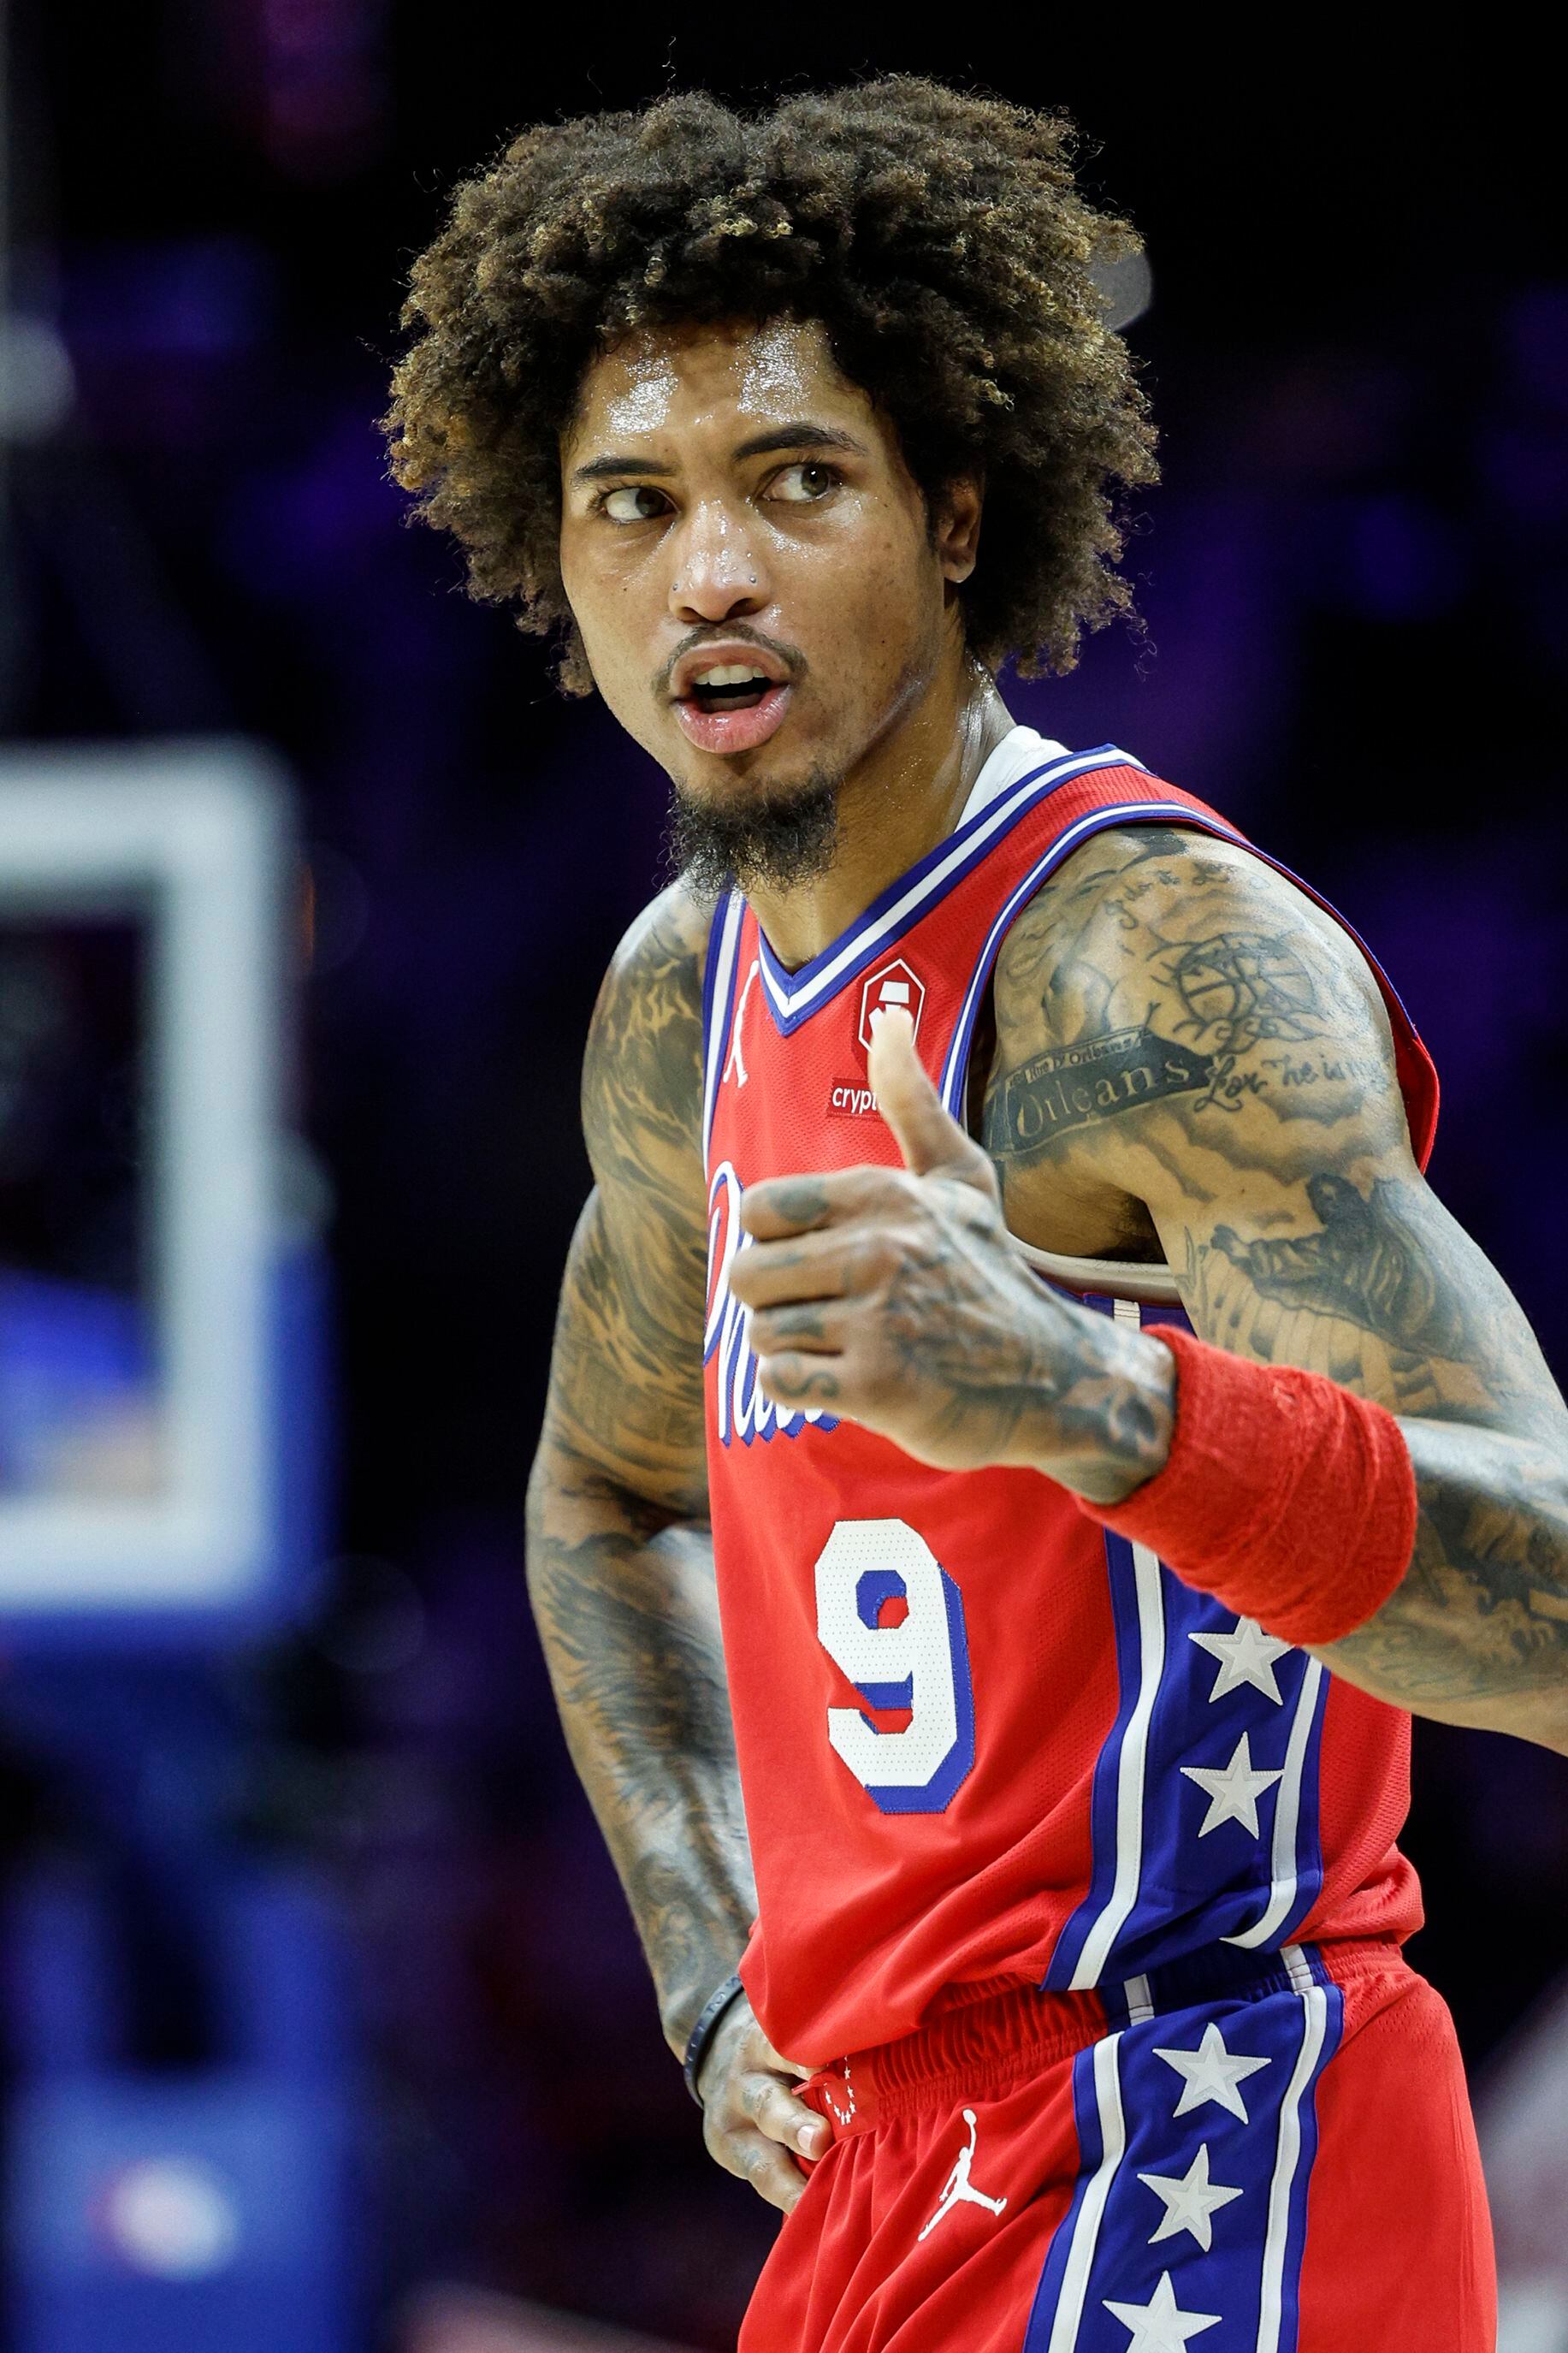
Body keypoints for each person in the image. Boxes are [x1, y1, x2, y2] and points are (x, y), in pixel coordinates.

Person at [384, 78, 1568, 2352]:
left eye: (792, 482)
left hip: (1211, 2126)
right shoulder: (675, 1002)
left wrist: (1091, 1399)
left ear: (953, 512)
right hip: (886, 2165)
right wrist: (710, 1963)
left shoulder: (1153, 963)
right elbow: (605, 1500)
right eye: (632, 505)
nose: (706, 573)